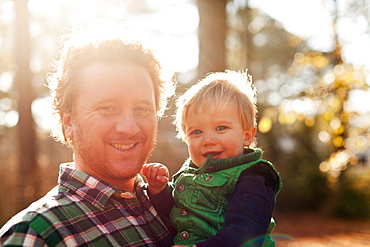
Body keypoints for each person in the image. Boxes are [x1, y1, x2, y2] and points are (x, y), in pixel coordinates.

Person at [0, 20, 176, 246]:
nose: (129, 127)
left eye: (142, 109)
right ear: (69, 122)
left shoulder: (176, 206)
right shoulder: (35, 235)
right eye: (107, 108)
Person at [142, 70, 282, 247]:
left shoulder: (255, 176)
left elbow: (246, 231)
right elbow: (177, 211)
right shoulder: (189, 172)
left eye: (221, 128)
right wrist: (159, 190)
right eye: (196, 132)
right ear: (186, 138)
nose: (208, 140)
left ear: (247, 135)